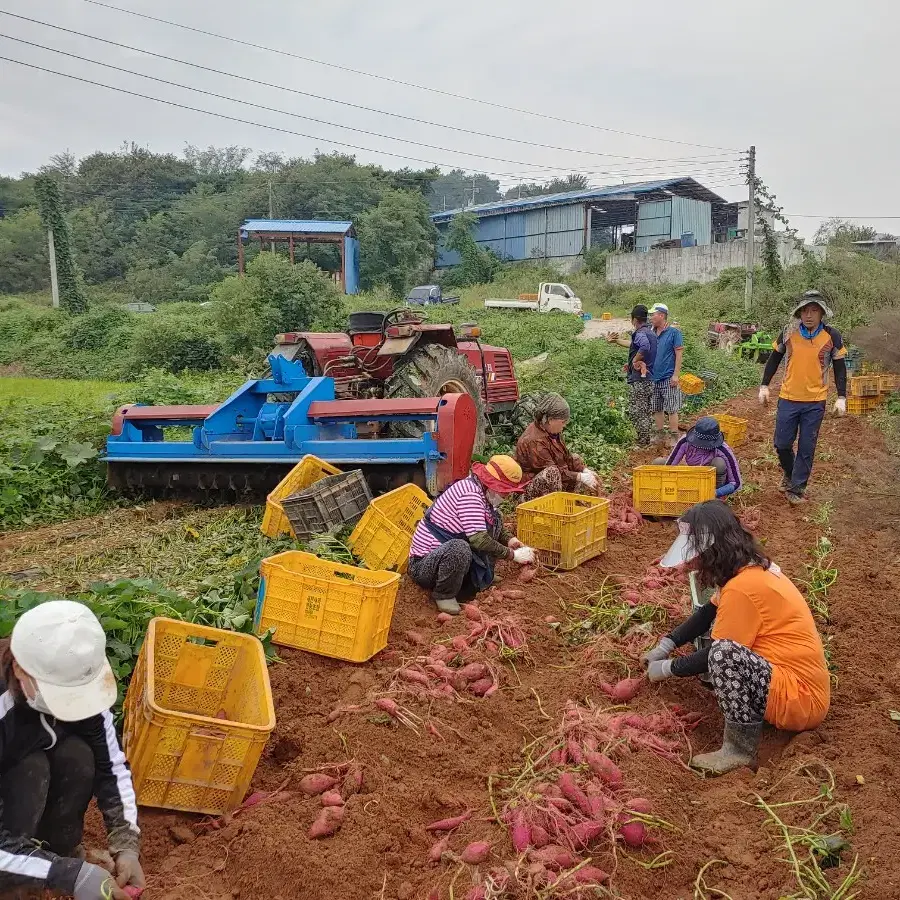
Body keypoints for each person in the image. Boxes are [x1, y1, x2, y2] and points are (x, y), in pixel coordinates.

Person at [641, 501, 830, 775]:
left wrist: (668, 668)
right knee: (725, 652)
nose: (692, 564)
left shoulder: (743, 589)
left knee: (724, 655)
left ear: (712, 552)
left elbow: (716, 654)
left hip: (800, 701)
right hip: (794, 687)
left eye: (697, 556)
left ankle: (739, 750)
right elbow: (707, 612)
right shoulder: (749, 571)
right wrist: (666, 644)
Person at [0, 601, 143, 899]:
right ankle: (13, 880)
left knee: (78, 754)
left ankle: (55, 851)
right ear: (19, 669)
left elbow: (112, 766)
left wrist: (126, 842)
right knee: (31, 769)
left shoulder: (77, 676)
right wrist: (65, 875)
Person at [408, 455, 537, 615]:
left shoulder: (483, 494)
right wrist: (512, 555)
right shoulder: (470, 495)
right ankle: (444, 595)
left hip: (445, 561)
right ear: (491, 484)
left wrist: (510, 540)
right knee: (459, 548)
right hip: (424, 566)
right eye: (504, 492)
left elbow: (491, 524)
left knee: (495, 518)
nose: (506, 496)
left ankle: (484, 577)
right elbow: (479, 540)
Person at [759, 290, 847, 505]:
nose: (809, 315)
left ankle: (797, 489)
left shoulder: (831, 335)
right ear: (799, 313)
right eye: (805, 311)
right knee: (782, 444)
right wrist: (764, 385)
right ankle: (790, 473)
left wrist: (842, 397)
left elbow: (840, 367)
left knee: (807, 447)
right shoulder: (788, 332)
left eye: (814, 310)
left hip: (815, 401)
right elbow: (774, 359)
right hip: (788, 397)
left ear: (821, 314)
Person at [514, 393, 599, 501]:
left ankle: (569, 500)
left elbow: (567, 457)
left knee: (575, 458)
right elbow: (553, 472)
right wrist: (579, 477)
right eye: (563, 422)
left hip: (552, 482)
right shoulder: (534, 441)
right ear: (550, 420)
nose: (565, 425)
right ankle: (556, 506)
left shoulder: (552, 431)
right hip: (527, 491)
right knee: (552, 473)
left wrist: (584, 470)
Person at [652, 416, 742, 498]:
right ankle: (655, 493)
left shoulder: (723, 449)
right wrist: (669, 487)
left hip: (711, 483)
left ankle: (716, 499)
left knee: (719, 463)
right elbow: (669, 466)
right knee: (659, 463)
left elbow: (735, 483)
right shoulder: (685, 441)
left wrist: (716, 492)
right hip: (693, 476)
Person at [648, 302, 684, 447]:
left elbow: (679, 354)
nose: (651, 317)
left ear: (661, 316)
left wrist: (676, 375)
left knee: (671, 408)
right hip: (653, 377)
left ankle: (674, 436)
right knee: (656, 408)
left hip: (668, 378)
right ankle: (660, 434)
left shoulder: (674, 333)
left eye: (653, 314)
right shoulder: (650, 332)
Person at [625, 304, 658, 447]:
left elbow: (644, 346)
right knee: (645, 410)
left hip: (640, 380)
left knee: (638, 411)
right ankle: (645, 439)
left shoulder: (640, 333)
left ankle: (642, 442)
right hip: (649, 379)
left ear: (634, 319)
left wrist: (635, 359)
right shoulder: (652, 333)